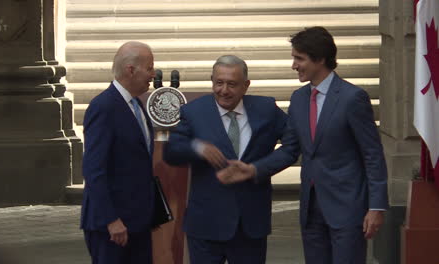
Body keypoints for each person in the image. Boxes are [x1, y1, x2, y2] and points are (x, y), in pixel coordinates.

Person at [217, 27, 389, 264]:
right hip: (311, 210)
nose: (294, 65)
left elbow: (373, 155)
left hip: (347, 208)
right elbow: (290, 150)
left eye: (299, 58)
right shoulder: (298, 99)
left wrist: (376, 207)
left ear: (319, 59)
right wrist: (254, 169)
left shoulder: (352, 98)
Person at [163, 55, 288, 264]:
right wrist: (198, 147)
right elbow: (172, 151)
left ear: (246, 85)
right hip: (206, 225)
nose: (224, 90)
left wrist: (258, 168)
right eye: (219, 83)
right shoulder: (194, 112)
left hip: (250, 225)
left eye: (232, 84)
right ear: (212, 80)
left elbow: (294, 143)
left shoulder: (266, 109)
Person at [81, 41, 156, 264]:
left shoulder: (137, 105)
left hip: (138, 222)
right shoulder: (103, 107)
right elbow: (94, 169)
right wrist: (111, 219)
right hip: (112, 227)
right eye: (149, 68)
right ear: (131, 70)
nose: (153, 74)